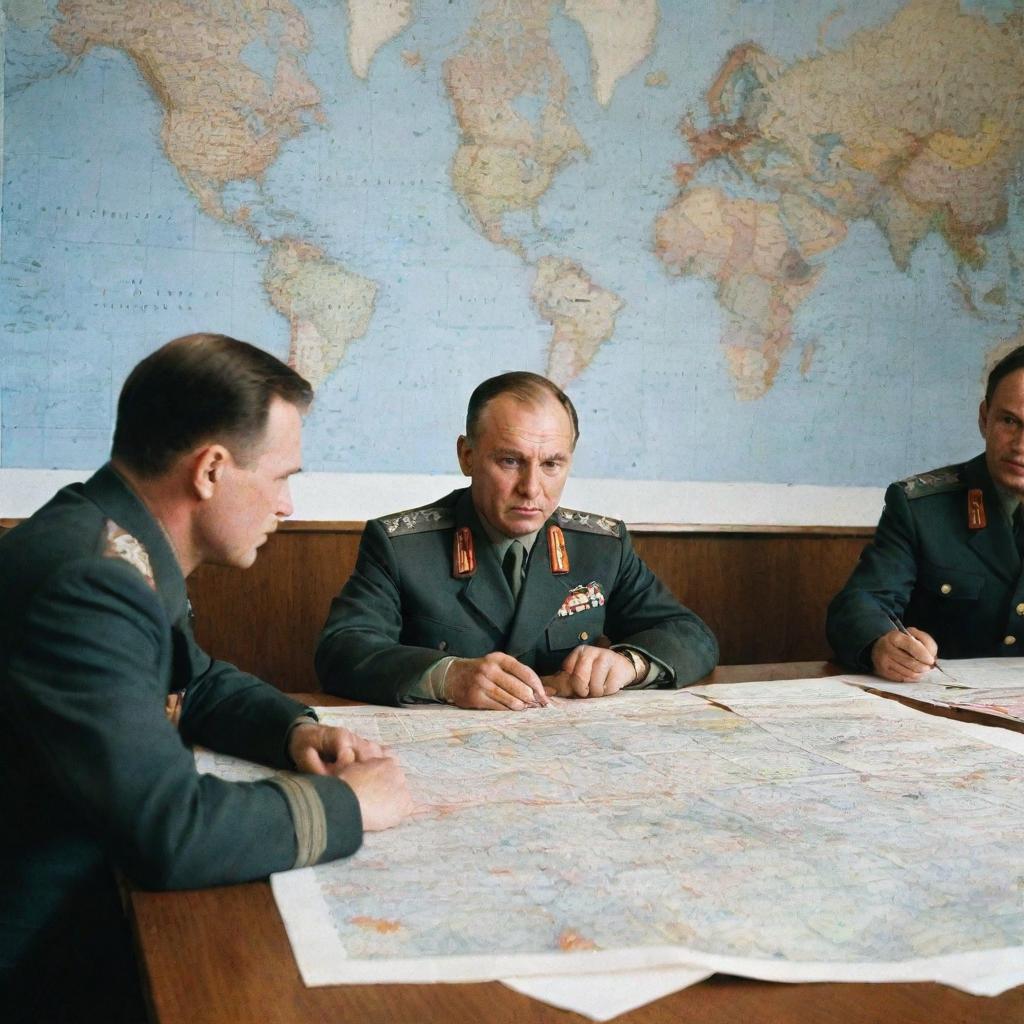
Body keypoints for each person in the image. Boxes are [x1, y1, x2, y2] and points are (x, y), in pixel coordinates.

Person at [0, 333, 412, 1022]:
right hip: (43, 957)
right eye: (282, 479)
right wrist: (351, 806)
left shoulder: (111, 540)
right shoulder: (92, 582)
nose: (288, 508)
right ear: (211, 469)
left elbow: (194, 680)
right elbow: (171, 835)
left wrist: (296, 731)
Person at [316, 371, 718, 708]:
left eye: (551, 464)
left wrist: (631, 664)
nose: (531, 488)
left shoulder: (601, 546)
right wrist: (449, 677)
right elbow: (342, 651)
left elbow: (691, 634)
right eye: (510, 461)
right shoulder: (402, 547)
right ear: (467, 456)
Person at [827, 344, 1024, 682]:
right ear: (984, 418)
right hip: (944, 705)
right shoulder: (921, 507)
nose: (1021, 445)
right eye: (1009, 421)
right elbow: (862, 602)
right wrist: (880, 644)